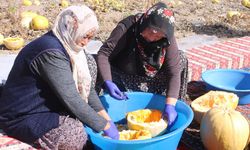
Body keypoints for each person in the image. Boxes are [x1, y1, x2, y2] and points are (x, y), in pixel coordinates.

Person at [0, 5, 119, 150]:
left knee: (85, 121)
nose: (86, 42)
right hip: (22, 116)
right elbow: (72, 97)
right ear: (71, 29)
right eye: (85, 36)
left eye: (90, 38)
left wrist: (106, 119)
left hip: (47, 107)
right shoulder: (50, 52)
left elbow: (86, 87)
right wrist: (103, 126)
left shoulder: (70, 45)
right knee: (75, 135)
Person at [96, 2, 188, 127]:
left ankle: (174, 109)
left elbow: (174, 72)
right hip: (122, 77)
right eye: (151, 32)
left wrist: (170, 105)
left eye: (158, 36)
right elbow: (103, 54)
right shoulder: (127, 27)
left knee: (180, 58)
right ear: (145, 22)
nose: (152, 38)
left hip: (150, 80)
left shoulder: (167, 36)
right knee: (92, 62)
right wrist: (108, 81)